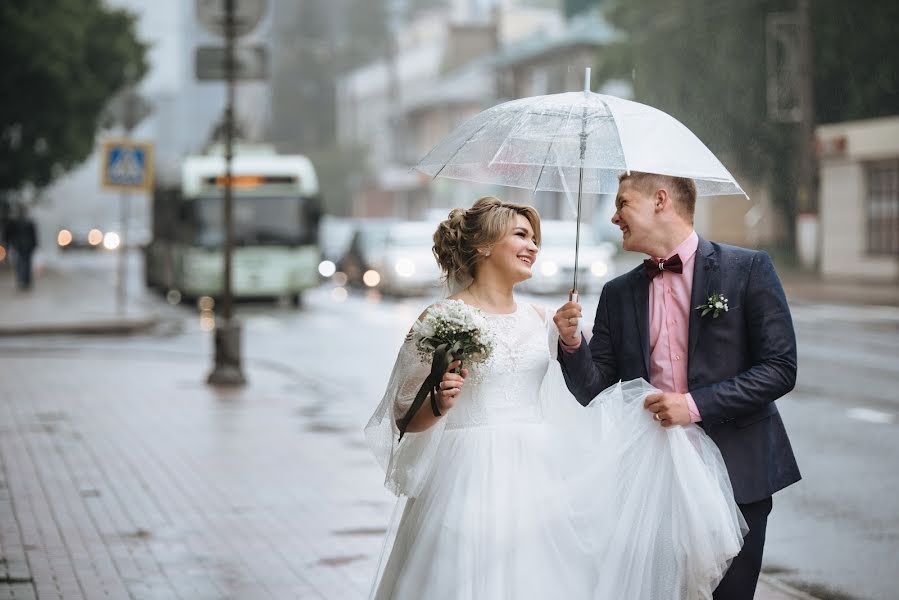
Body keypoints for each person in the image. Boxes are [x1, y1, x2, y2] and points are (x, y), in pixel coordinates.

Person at [365, 196, 746, 600]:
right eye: (521, 235)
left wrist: (572, 339)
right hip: (465, 477)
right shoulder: (440, 318)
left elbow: (586, 391)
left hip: (537, 476)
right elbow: (403, 414)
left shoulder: (541, 320)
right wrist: (439, 405)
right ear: (482, 246)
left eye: (535, 239)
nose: (533, 246)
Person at [555, 172, 801, 600]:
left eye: (622, 204)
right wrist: (572, 342)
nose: (614, 218)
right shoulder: (617, 293)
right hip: (651, 478)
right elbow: (594, 390)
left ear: (660, 200)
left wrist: (694, 405)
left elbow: (780, 368)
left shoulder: (746, 270)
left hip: (738, 470)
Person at [3, 205, 38, 290]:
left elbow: (7, 235)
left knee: (21, 263)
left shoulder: (16, 222)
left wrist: (8, 244)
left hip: (19, 246)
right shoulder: (28, 222)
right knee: (25, 263)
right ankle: (25, 280)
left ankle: (23, 280)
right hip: (24, 246)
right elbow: (34, 236)